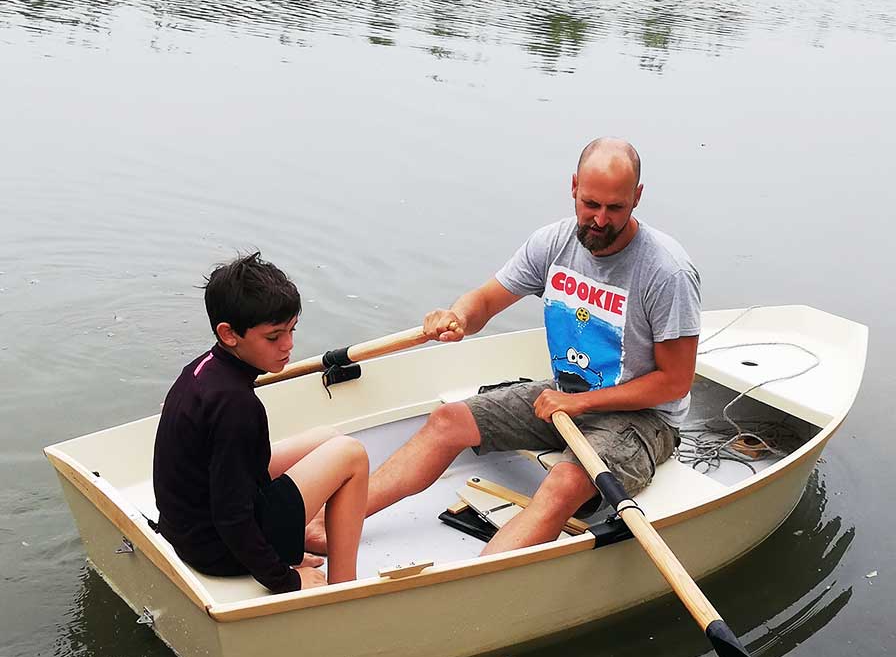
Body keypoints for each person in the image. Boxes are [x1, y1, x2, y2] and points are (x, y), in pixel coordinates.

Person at [366, 138, 701, 554]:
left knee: (563, 481)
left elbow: (674, 382)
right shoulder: (552, 243)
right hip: (566, 396)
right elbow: (485, 301)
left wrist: (579, 403)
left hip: (643, 419)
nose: (600, 219)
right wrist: (458, 317)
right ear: (574, 187)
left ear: (637, 197)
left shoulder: (667, 272)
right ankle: (327, 528)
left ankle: (476, 581)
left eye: (615, 208)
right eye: (590, 204)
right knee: (449, 420)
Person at [153, 252, 367, 592]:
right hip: (218, 551)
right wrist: (288, 579)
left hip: (189, 529)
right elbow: (232, 516)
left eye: (291, 330)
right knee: (351, 454)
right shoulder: (236, 405)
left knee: (329, 437)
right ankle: (343, 589)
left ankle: (299, 536)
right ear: (229, 334)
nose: (288, 345)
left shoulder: (203, 368)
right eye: (273, 337)